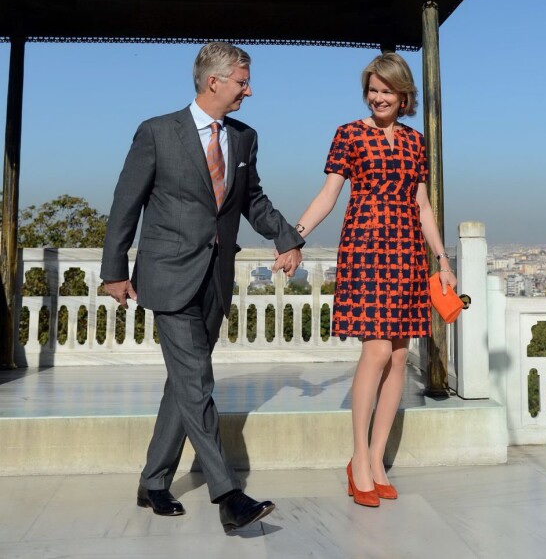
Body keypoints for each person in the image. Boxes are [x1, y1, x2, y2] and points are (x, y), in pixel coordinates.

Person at [100, 42, 304, 532]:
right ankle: (229, 495)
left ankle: (153, 481)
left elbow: (252, 199)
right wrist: (114, 271)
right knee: (197, 381)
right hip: (168, 277)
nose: (248, 91)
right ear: (214, 81)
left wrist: (286, 236)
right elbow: (126, 204)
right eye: (242, 81)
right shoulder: (157, 133)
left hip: (216, 278)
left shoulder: (245, 137)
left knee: (185, 384)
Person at [294, 52, 456, 507]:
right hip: (365, 247)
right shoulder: (348, 134)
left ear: (403, 95)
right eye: (372, 89)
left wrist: (441, 258)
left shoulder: (414, 141)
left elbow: (423, 206)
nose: (378, 97)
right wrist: (295, 237)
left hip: (406, 250)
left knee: (400, 358)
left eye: (387, 90)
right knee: (377, 349)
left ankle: (377, 459)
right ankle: (359, 459)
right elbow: (329, 194)